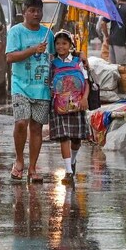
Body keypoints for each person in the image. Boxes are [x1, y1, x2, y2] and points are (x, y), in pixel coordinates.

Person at [6, 0, 55, 183]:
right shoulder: (16, 32)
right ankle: (19, 160)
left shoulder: (48, 34)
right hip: (20, 86)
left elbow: (53, 58)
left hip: (42, 88)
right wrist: (33, 49)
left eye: (39, 11)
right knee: (21, 123)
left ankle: (33, 168)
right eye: (32, 11)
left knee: (36, 128)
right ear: (24, 13)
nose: (36, 14)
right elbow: (10, 57)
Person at [49, 31, 89, 186]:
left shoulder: (79, 62)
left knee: (76, 139)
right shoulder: (52, 64)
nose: (61, 46)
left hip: (78, 104)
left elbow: (86, 83)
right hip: (59, 106)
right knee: (64, 136)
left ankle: (72, 161)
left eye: (64, 43)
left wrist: (85, 98)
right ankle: (68, 171)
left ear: (71, 46)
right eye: (58, 43)